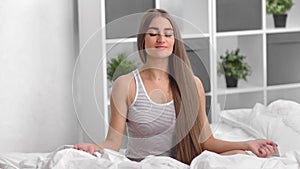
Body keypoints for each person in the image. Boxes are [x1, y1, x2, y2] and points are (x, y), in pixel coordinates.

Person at [75, 8, 278, 165]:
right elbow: (113, 143)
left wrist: (248, 144)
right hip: (143, 165)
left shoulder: (192, 84)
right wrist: (93, 148)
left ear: (175, 40)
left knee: (240, 156)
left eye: (168, 34)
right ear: (142, 40)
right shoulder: (126, 84)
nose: (161, 39)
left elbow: (206, 141)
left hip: (182, 163)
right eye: (153, 34)